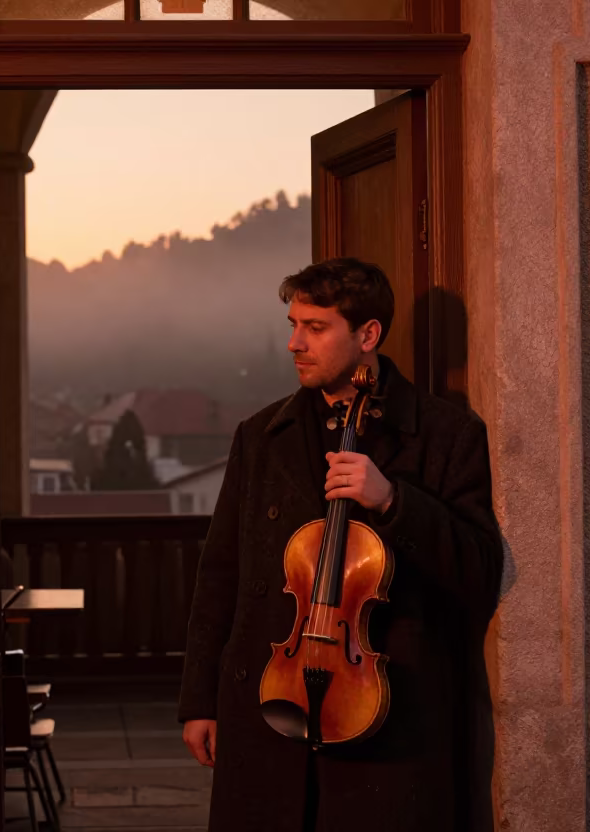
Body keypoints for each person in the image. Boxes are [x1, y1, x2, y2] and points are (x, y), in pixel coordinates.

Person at [178, 257, 502, 831]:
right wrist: (200, 701)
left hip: (387, 710)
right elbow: (220, 573)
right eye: (292, 324)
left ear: (368, 334)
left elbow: (478, 569)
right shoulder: (259, 436)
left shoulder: (448, 434)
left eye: (315, 327)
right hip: (267, 705)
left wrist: (393, 501)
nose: (294, 343)